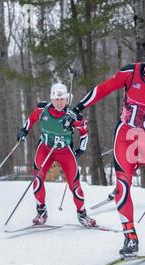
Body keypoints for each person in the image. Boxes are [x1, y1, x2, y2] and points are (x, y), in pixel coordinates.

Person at [63, 41, 145, 257]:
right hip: (126, 137)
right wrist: (77, 108)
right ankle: (130, 237)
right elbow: (101, 90)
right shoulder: (130, 73)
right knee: (122, 188)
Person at [17, 83, 96, 227]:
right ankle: (41, 212)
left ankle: (82, 214)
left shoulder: (73, 116)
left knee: (74, 184)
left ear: (67, 99)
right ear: (51, 100)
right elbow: (31, 119)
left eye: (62, 99)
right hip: (45, 149)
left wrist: (81, 149)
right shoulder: (43, 109)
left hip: (65, 151)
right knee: (37, 178)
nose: (59, 103)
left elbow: (84, 132)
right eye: (56, 99)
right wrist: (24, 130)